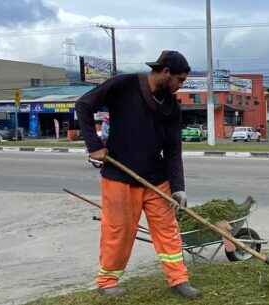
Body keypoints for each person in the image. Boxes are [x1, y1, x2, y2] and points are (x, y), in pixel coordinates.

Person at [75, 50, 201, 299]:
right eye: (180, 80)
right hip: (120, 177)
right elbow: (83, 105)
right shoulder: (124, 85)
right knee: (118, 232)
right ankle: (107, 281)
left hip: (157, 179)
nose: (180, 86)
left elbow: (174, 149)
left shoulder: (171, 107)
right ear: (165, 72)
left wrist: (178, 187)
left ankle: (178, 279)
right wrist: (94, 145)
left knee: (168, 231)